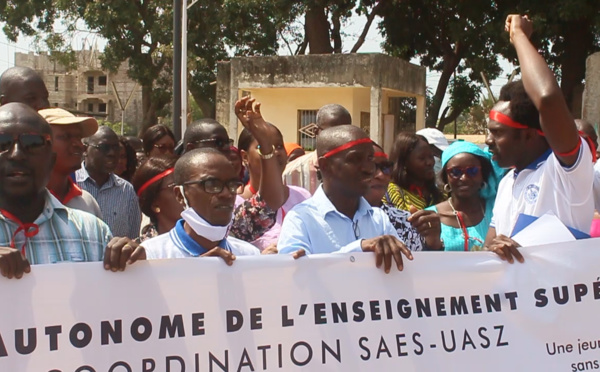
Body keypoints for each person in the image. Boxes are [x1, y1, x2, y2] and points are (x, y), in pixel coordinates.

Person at [485, 15, 595, 263]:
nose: (488, 140)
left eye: (497, 132)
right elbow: (485, 252)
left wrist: (519, 36)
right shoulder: (506, 184)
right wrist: (494, 250)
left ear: (527, 134)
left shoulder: (566, 173)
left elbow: (546, 98)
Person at [0, 103, 133, 279]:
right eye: (2, 142)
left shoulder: (93, 234)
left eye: (32, 143)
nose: (16, 154)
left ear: (51, 159)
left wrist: (135, 269)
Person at [278, 125, 413, 273]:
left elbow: (401, 272)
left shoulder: (379, 220)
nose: (369, 168)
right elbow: (295, 278)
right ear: (325, 165)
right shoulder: (300, 220)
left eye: (370, 158)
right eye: (355, 159)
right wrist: (358, 249)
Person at [142, 148, 260, 261]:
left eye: (232, 185)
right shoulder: (151, 256)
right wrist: (199, 272)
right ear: (180, 195)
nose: (226, 194)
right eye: (211, 184)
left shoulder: (249, 255)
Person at [235, 97, 310, 250]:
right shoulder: (234, 204)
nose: (275, 152)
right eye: (263, 147)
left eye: (279, 146)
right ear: (244, 157)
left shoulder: (302, 196)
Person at [365, 143, 442, 251]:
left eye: (385, 167)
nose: (381, 175)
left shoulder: (406, 221)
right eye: (371, 167)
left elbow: (423, 265)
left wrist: (433, 244)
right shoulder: (333, 222)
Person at [427, 141, 498, 251]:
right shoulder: (429, 218)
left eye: (472, 171)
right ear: (446, 177)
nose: (464, 178)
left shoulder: (497, 211)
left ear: (483, 174)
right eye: (455, 172)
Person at [77, 126, 142, 239]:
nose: (112, 153)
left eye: (116, 148)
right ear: (85, 150)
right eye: (104, 147)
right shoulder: (71, 183)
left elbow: (132, 239)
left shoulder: (126, 190)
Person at [38, 108, 102, 217]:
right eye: (66, 137)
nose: (79, 145)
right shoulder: (18, 202)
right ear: (38, 144)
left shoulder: (86, 202)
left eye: (79, 137)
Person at [283, 104, 351, 194]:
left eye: (343, 132)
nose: (338, 138)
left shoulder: (358, 171)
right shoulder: (291, 173)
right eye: (331, 132)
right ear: (316, 132)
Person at [385, 132, 445, 212]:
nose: (430, 162)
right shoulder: (393, 192)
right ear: (405, 162)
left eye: (431, 156)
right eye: (422, 158)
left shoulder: (439, 193)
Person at [131, 155, 182, 241]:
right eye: (175, 187)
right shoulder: (141, 251)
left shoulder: (208, 242)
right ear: (154, 204)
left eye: (186, 185)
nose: (184, 192)